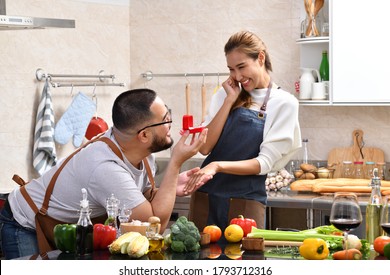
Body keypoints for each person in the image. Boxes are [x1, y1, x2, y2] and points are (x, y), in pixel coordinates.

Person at [0, 88, 209, 259]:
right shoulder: (106, 168)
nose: (171, 124)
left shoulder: (139, 150)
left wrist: (169, 186)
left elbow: (144, 204)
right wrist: (175, 164)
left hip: (64, 228)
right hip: (24, 223)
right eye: (166, 119)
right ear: (144, 135)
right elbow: (153, 227)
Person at [186, 30, 301, 232]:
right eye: (231, 69)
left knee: (245, 261)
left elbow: (263, 163)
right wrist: (229, 100)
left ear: (261, 58)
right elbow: (204, 148)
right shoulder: (226, 93)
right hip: (206, 197)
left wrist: (217, 166)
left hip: (246, 204)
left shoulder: (284, 103)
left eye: (241, 67)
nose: (237, 76)